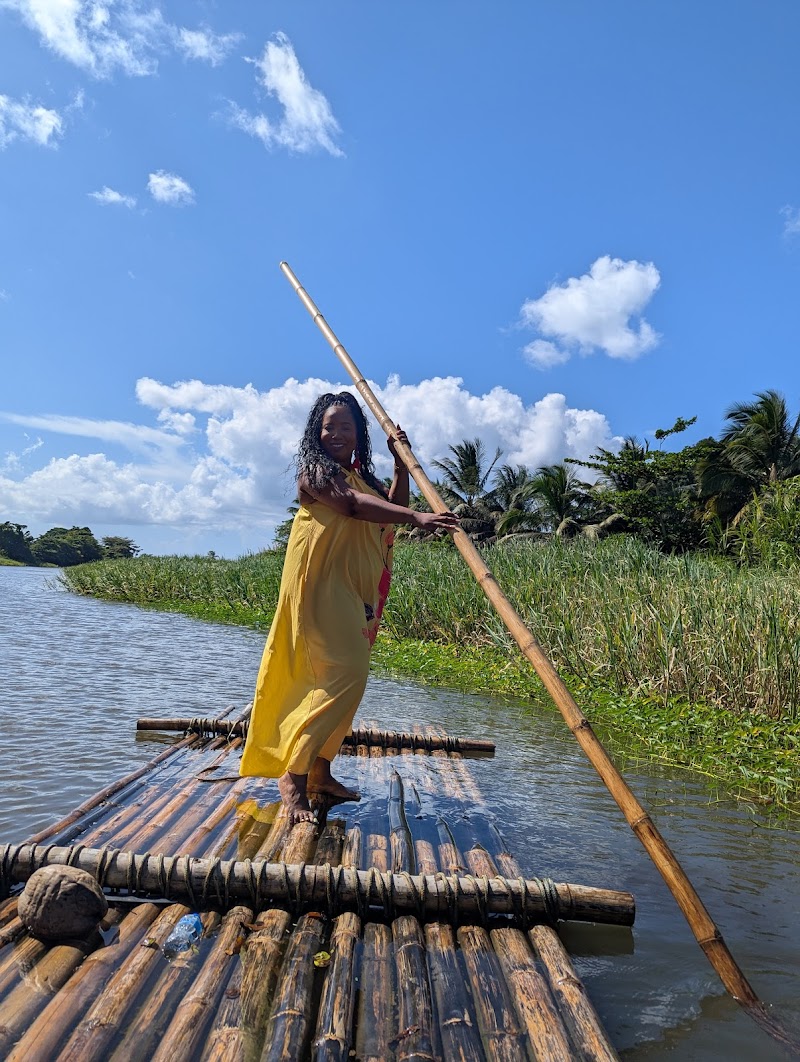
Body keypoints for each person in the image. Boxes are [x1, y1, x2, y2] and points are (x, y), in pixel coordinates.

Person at [239, 391, 459, 825]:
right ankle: (294, 776)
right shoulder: (315, 474)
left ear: (359, 435)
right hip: (318, 584)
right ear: (315, 434)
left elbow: (390, 505)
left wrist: (401, 463)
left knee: (349, 680)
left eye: (345, 426)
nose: (336, 433)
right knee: (343, 673)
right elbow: (354, 507)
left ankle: (320, 772)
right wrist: (416, 519)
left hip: (351, 588)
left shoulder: (361, 477)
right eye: (328, 426)